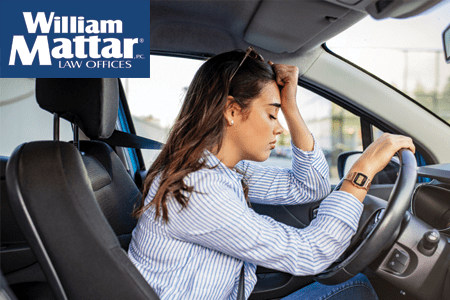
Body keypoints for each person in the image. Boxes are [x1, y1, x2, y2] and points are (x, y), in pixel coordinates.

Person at [128, 47, 415, 300]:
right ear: (231, 110)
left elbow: (309, 187)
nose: (279, 128)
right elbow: (311, 253)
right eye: (271, 114)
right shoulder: (197, 188)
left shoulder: (222, 169)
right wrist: (361, 172)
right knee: (359, 290)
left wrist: (289, 106)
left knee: (358, 286)